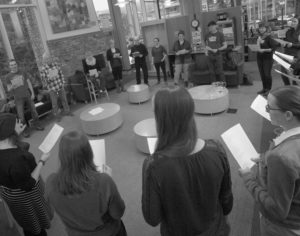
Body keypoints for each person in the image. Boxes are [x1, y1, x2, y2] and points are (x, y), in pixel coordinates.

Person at [142, 87, 233, 236]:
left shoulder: (153, 165)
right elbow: (227, 203)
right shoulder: (216, 149)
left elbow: (153, 218)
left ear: (160, 119)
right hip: (216, 230)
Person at [239, 86, 300, 236]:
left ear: (288, 115)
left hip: (283, 227)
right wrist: (265, 158)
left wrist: (248, 179)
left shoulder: (281, 157)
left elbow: (276, 210)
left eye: (269, 107)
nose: (266, 110)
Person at [46, 131, 126, 236]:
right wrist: (108, 182)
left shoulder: (50, 182)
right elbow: (118, 213)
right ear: (89, 153)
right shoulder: (104, 181)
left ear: (61, 155)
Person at [0, 113, 52, 236]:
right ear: (10, 131)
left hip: (10, 194)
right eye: (17, 123)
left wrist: (16, 134)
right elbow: (29, 185)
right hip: (26, 197)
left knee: (25, 219)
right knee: (34, 223)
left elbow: (9, 147)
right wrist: (42, 161)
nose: (20, 123)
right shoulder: (17, 160)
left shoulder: (5, 147)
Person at [5, 59, 44, 137]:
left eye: (15, 64)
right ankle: (25, 131)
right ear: (10, 67)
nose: (14, 66)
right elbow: (8, 89)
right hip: (18, 99)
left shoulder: (22, 72)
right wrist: (13, 85)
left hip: (27, 95)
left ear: (17, 65)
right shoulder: (8, 77)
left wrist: (32, 93)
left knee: (34, 111)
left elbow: (29, 82)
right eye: (12, 65)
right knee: (21, 116)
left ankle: (37, 125)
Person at [256, 22, 287, 96]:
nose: (261, 29)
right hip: (260, 57)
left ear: (266, 29)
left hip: (268, 58)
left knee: (267, 74)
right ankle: (264, 88)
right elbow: (258, 47)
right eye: (260, 28)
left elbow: (273, 48)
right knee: (262, 74)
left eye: (263, 28)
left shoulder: (269, 37)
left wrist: (264, 50)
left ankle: (268, 89)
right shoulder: (259, 37)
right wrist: (257, 45)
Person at [40, 52, 73, 121]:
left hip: (60, 85)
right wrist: (49, 79)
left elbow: (61, 74)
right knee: (54, 104)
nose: (48, 60)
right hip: (52, 88)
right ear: (44, 60)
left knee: (64, 99)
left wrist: (63, 82)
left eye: (49, 58)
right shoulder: (43, 69)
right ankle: (57, 116)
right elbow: (43, 80)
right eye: (46, 59)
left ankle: (67, 111)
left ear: (51, 58)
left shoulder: (56, 64)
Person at [281, 17, 300, 85]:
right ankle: (287, 87)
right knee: (283, 73)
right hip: (287, 54)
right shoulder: (288, 31)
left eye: (295, 21)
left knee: (295, 77)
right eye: (292, 21)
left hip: (296, 56)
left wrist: (292, 45)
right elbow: (286, 42)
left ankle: (295, 91)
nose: (292, 23)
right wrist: (284, 44)